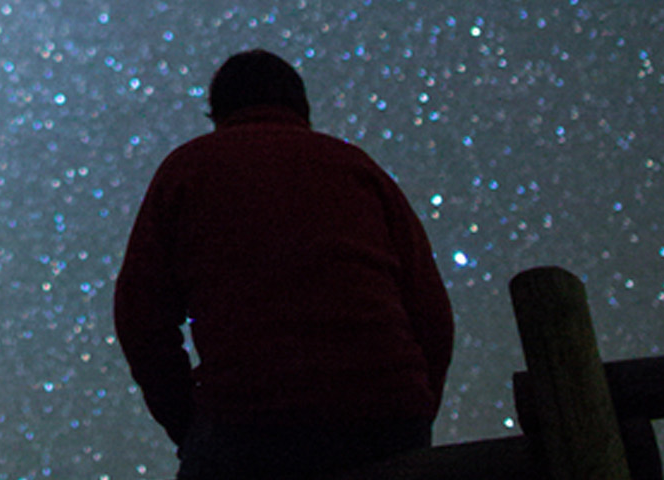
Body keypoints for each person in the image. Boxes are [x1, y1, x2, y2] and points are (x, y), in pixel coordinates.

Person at [114, 49, 454, 479]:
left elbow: (139, 318)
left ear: (217, 112)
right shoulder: (360, 169)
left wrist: (187, 422)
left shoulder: (186, 170)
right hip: (386, 421)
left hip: (250, 425)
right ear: (302, 108)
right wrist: (412, 409)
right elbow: (432, 315)